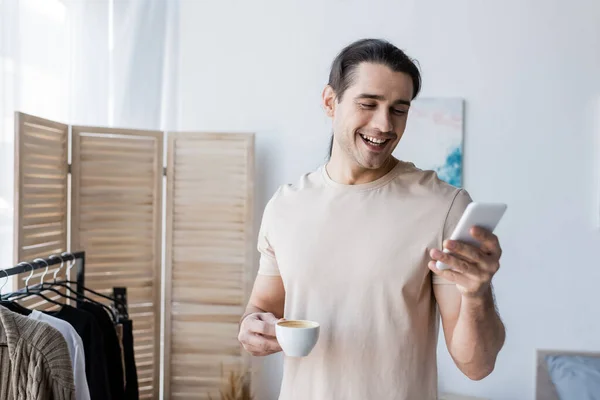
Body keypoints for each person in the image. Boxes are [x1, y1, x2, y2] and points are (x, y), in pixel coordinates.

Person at [238, 38, 506, 400]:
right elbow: (263, 308)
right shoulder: (285, 206)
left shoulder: (443, 206)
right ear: (330, 102)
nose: (384, 124)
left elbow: (477, 365)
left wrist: (477, 294)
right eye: (368, 104)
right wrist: (251, 327)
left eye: (399, 109)